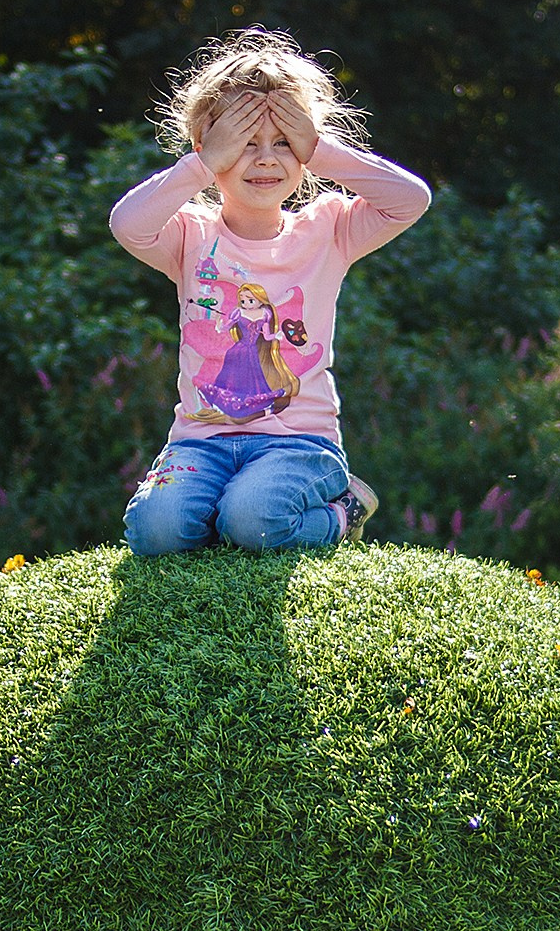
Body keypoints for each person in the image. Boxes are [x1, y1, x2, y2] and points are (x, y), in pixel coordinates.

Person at [110, 29, 432, 554]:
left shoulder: (330, 228)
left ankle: (341, 513)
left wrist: (320, 148)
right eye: (242, 145)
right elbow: (127, 225)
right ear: (209, 152)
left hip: (299, 444)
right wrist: (198, 166)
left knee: (253, 520)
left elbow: (410, 199)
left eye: (282, 142)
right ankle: (218, 508)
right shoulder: (191, 235)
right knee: (157, 532)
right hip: (201, 442)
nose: (265, 159)